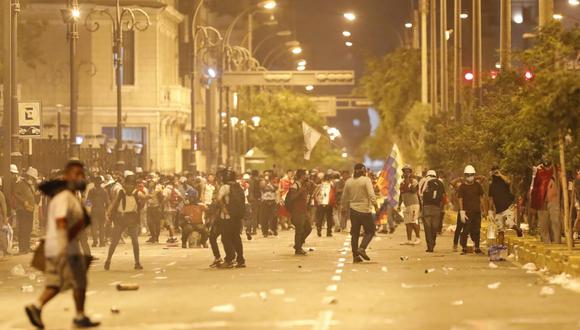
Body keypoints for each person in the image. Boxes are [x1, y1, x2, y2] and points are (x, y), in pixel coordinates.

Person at [26, 160, 100, 329]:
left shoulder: (70, 196)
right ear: (67, 176)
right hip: (63, 247)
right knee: (79, 282)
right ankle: (79, 316)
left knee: (56, 284)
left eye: (82, 174)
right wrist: (65, 246)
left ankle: (37, 307)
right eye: (77, 174)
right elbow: (61, 221)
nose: (81, 177)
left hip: (60, 246)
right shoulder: (64, 197)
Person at [104, 171, 143, 271]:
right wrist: (109, 213)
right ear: (125, 184)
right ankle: (108, 260)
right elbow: (114, 203)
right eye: (128, 184)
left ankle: (137, 262)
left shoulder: (136, 193)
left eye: (132, 184)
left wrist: (145, 199)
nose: (130, 186)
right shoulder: (121, 192)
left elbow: (141, 204)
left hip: (131, 218)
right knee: (115, 241)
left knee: (135, 241)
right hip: (121, 218)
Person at [341, 164, 379, 263]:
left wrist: (343, 207)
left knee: (355, 234)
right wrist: (376, 206)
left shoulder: (349, 181)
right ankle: (362, 248)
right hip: (365, 210)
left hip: (353, 210)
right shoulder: (366, 180)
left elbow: (344, 196)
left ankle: (355, 256)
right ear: (363, 170)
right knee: (370, 231)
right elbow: (371, 194)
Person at [217, 170, 246, 268]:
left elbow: (219, 199)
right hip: (237, 216)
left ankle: (229, 259)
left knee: (225, 238)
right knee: (236, 238)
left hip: (226, 217)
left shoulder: (225, 187)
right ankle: (241, 259)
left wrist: (223, 208)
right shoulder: (238, 186)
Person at [530, 157, 561, 244]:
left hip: (554, 200)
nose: (546, 158)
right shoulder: (538, 169)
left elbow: (562, 182)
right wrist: (533, 202)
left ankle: (557, 243)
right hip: (541, 201)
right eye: (544, 156)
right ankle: (547, 245)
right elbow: (534, 186)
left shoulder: (556, 168)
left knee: (556, 221)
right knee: (543, 225)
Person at [488, 166, 522, 246]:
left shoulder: (503, 181)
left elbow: (508, 181)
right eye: (494, 172)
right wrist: (490, 210)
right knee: (500, 230)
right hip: (498, 210)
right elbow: (491, 199)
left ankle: (517, 229)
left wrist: (500, 174)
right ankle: (500, 247)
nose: (495, 174)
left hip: (508, 206)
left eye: (496, 172)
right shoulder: (491, 185)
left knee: (509, 222)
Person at [457, 165, 486, 255]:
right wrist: (461, 211)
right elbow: (460, 199)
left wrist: (484, 210)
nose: (470, 177)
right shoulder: (462, 187)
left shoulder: (478, 186)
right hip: (467, 212)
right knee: (466, 230)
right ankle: (464, 247)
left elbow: (481, 198)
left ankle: (477, 247)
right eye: (468, 175)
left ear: (474, 175)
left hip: (477, 211)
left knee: (476, 230)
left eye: (471, 174)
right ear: (465, 175)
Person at [286, 169, 313, 255]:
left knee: (308, 228)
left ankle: (298, 245)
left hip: (304, 211)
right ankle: (298, 249)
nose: (307, 177)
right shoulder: (295, 185)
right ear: (302, 176)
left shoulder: (303, 185)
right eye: (306, 175)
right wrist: (300, 191)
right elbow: (292, 198)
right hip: (297, 212)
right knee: (299, 230)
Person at [12, 165, 37, 254]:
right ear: (29, 176)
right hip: (22, 209)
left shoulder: (31, 185)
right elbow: (15, 193)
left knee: (28, 229)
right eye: (32, 177)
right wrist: (24, 201)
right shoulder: (21, 183)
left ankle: (26, 247)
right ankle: (22, 248)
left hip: (30, 209)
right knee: (23, 228)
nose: (33, 179)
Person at [419, 170, 446, 252]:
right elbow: (443, 196)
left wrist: (421, 207)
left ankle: (430, 246)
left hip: (426, 207)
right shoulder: (440, 183)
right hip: (437, 207)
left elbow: (420, 194)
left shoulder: (424, 181)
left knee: (427, 228)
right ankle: (433, 242)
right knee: (434, 227)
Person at [398, 164, 421, 245]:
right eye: (404, 171)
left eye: (407, 171)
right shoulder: (402, 183)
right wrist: (399, 205)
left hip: (414, 204)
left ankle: (418, 238)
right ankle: (409, 239)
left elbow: (414, 190)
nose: (405, 173)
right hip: (406, 205)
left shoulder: (414, 181)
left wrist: (408, 180)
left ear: (410, 172)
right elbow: (401, 195)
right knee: (407, 223)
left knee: (413, 221)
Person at [86, 176, 108, 247]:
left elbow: (88, 202)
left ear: (94, 183)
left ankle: (95, 242)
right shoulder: (104, 191)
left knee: (94, 227)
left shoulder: (91, 191)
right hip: (102, 210)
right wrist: (107, 211)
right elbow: (107, 202)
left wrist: (88, 210)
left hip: (94, 211)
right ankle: (102, 242)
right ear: (101, 183)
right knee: (102, 227)